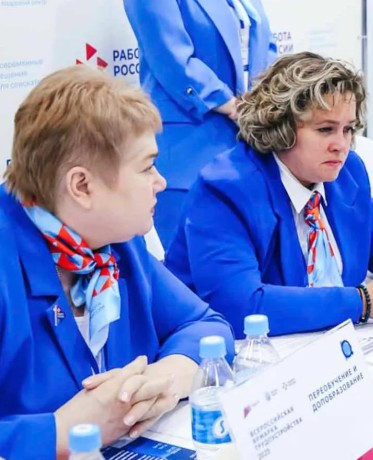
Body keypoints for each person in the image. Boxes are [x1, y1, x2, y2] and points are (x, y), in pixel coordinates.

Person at [0, 66, 234, 458]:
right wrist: (59, 433)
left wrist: (165, 379)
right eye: (146, 167)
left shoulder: (115, 239)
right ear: (82, 186)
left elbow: (207, 327)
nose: (161, 182)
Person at [165, 52, 373, 338]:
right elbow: (241, 307)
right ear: (281, 127)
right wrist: (362, 302)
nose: (341, 145)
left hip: (328, 346)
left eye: (348, 129)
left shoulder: (347, 172)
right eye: (325, 129)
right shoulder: (225, 188)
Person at [123, 0, 277, 248]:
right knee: (184, 260)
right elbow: (170, 56)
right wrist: (231, 105)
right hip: (187, 147)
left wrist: (262, 103)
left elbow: (266, 46)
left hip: (248, 143)